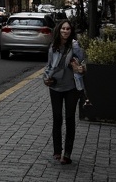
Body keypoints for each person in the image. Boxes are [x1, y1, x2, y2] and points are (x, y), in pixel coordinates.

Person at [43, 18, 87, 165]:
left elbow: (83, 64)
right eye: (63, 28)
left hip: (71, 87)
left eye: (68, 29)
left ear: (71, 31)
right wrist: (45, 78)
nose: (65, 31)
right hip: (55, 87)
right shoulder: (53, 47)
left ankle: (67, 153)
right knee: (57, 118)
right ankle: (57, 150)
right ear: (58, 30)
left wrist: (80, 68)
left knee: (69, 118)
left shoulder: (75, 46)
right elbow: (49, 67)